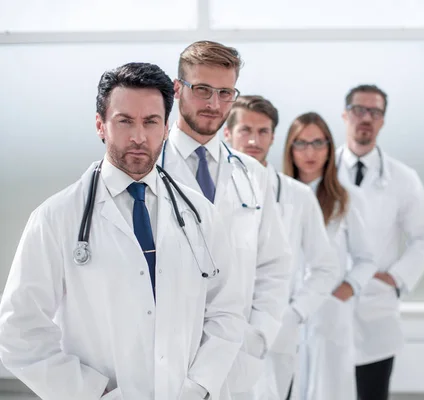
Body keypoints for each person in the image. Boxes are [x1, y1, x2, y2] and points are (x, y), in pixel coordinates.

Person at [0, 62, 246, 400]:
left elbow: (227, 311)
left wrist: (200, 386)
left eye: (150, 122)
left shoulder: (200, 214)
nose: (139, 137)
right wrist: (93, 394)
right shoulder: (55, 218)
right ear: (101, 125)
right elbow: (18, 331)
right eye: (124, 121)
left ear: (166, 127)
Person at [158, 41, 292, 400]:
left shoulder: (252, 174)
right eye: (201, 89)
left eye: (224, 92)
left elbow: (274, 264)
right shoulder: (148, 168)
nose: (214, 104)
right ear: (177, 89)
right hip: (167, 358)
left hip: (237, 359)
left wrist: (259, 334)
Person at [223, 95, 339, 399]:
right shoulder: (208, 192)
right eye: (245, 130)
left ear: (274, 137)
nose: (253, 139)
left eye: (263, 132)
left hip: (275, 334)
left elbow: (326, 267)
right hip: (221, 333)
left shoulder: (298, 196)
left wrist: (294, 314)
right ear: (227, 133)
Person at [336, 84, 424, 400]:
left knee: (372, 393)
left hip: (376, 308)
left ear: (382, 121)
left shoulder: (403, 178)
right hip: (328, 305)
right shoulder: (321, 172)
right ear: (345, 115)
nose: (366, 118)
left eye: (375, 112)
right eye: (359, 110)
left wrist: (394, 278)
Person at [283, 112, 377, 400]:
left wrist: (343, 292)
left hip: (329, 316)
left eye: (318, 143)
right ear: (290, 149)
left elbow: (367, 259)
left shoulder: (346, 198)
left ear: (329, 148)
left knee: (328, 390)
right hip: (287, 315)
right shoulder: (278, 194)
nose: (310, 152)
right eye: (301, 144)